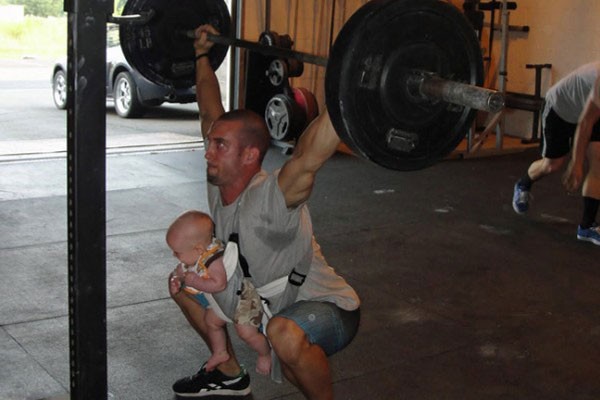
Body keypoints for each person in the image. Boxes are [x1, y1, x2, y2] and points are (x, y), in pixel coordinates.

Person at [168, 24, 361, 400]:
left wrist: (353, 85)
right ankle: (227, 372)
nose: (207, 151)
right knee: (183, 286)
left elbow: (309, 155)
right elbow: (209, 109)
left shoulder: (271, 196)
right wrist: (201, 55)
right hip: (261, 302)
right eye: (210, 143)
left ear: (250, 156)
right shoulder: (219, 181)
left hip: (325, 306)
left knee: (285, 340)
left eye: (219, 145)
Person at [166, 210, 272, 375]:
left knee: (247, 334)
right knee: (211, 322)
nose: (174, 255)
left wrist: (196, 282)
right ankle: (220, 352)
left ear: (198, 249)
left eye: (177, 252)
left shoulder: (214, 259)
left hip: (242, 300)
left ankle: (265, 353)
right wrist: (177, 280)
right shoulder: (194, 257)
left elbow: (219, 284)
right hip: (221, 303)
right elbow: (181, 271)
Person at [512, 61, 600, 246]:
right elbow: (585, 124)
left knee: (598, 162)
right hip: (560, 109)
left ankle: (587, 227)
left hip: (591, 111)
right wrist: (576, 163)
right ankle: (523, 184)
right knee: (552, 164)